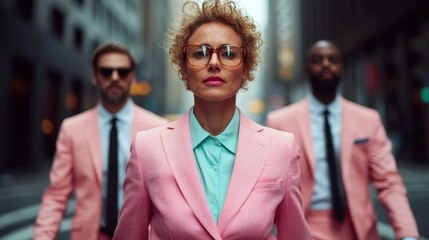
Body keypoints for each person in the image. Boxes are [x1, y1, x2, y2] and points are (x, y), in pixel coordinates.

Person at [113, 1, 311, 239]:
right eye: (200, 53)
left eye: (229, 53)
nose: (214, 63)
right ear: (184, 68)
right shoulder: (148, 148)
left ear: (246, 68)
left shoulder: (281, 148)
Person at [266, 40, 420, 240]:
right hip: (304, 229)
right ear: (306, 70)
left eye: (333, 60)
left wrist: (407, 234)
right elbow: (268, 188)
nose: (326, 64)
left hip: (359, 230)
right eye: (317, 60)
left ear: (342, 68)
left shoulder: (368, 120)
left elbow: (389, 181)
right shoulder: (279, 122)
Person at [33, 42, 168, 240]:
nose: (114, 77)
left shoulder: (159, 128)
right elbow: (56, 195)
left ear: (132, 76)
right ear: (94, 77)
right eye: (106, 71)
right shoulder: (72, 129)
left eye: (122, 72)